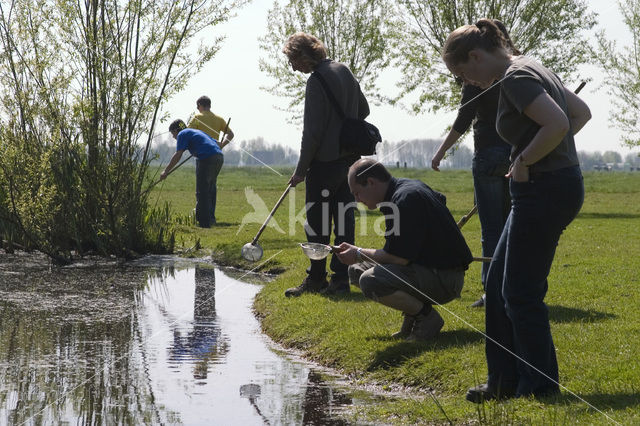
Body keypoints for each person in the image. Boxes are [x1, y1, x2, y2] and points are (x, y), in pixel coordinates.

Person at [442, 19, 591, 401]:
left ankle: (541, 387)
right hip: (551, 185)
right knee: (496, 285)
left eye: (464, 73)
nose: (469, 82)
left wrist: (526, 159)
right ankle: (503, 381)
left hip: (545, 189)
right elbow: (580, 114)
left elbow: (558, 123)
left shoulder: (513, 77)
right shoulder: (533, 64)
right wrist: (542, 148)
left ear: (476, 56)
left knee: (521, 293)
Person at [334, 159, 473, 340]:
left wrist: (358, 253)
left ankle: (427, 319)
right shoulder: (405, 189)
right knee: (356, 270)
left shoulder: (404, 199)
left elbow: (398, 258)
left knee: (370, 280)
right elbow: (440, 199)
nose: (357, 200)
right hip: (429, 269)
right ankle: (412, 318)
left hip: (445, 279)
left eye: (357, 193)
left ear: (371, 182)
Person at [432, 20, 518, 308]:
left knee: (492, 228)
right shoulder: (514, 70)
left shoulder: (477, 77)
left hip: (489, 156)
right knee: (512, 224)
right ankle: (511, 286)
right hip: (516, 154)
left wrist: (440, 152)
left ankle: (492, 290)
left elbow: (463, 120)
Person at [281, 32, 370, 297]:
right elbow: (364, 110)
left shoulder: (316, 80)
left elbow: (312, 134)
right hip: (350, 162)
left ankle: (317, 278)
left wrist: (300, 171)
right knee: (345, 221)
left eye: (292, 61)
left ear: (303, 56)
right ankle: (341, 280)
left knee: (317, 225)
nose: (293, 67)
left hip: (324, 164)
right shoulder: (344, 70)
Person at [161, 119, 224, 228]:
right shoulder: (196, 132)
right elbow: (219, 143)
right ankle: (211, 218)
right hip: (218, 157)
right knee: (210, 189)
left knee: (202, 191)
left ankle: (204, 222)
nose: (173, 137)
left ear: (176, 130)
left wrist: (166, 171)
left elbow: (178, 154)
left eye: (172, 133)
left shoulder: (182, 133)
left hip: (206, 158)